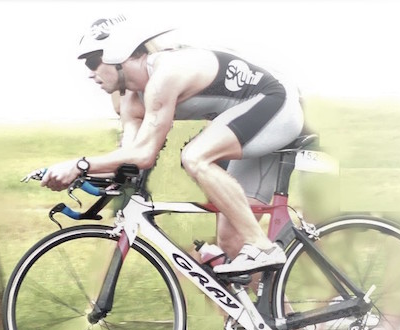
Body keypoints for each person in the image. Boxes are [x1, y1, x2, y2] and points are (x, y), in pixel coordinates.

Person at [41, 15, 305, 275]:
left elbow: (145, 154)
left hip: (277, 104)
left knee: (195, 157)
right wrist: (69, 174)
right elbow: (129, 160)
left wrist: (80, 164)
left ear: (118, 53)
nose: (89, 74)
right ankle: (281, 318)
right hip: (247, 123)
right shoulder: (130, 101)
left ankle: (264, 247)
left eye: (92, 61)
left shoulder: (165, 74)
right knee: (232, 239)